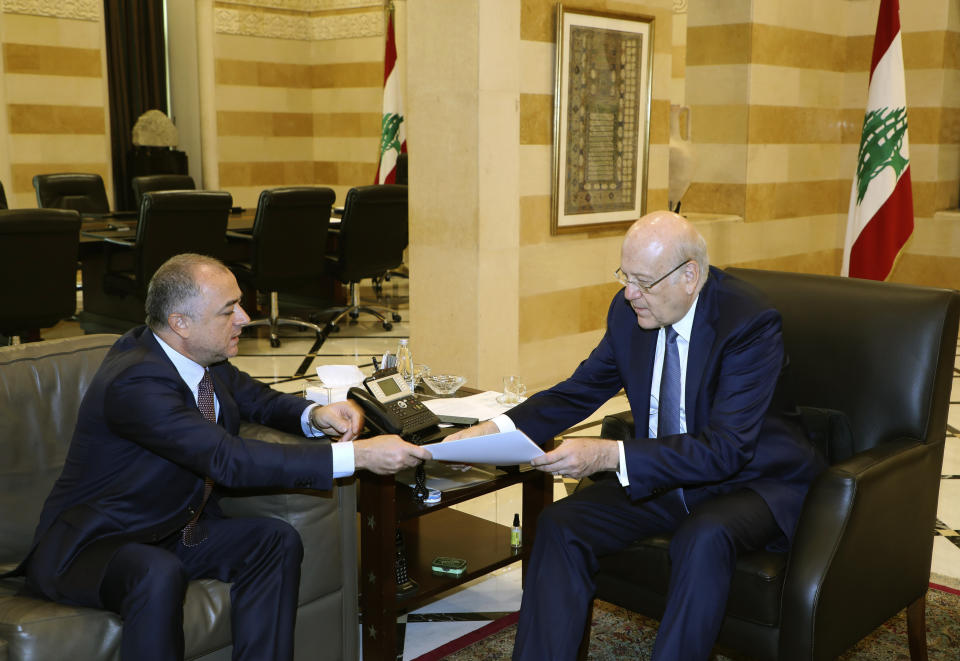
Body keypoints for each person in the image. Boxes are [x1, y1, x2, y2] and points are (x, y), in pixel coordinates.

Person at [449, 211, 825, 660]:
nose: (630, 294)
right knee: (560, 524)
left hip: (752, 480)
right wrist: (490, 431)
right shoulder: (631, 313)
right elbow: (578, 391)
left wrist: (609, 454)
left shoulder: (748, 323)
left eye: (643, 282)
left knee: (702, 538)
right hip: (665, 476)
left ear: (690, 276)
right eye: (624, 277)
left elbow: (725, 451)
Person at [21, 253, 432, 661]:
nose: (245, 317)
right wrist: (355, 456)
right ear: (180, 322)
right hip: (96, 546)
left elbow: (256, 398)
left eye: (240, 303)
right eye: (228, 310)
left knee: (275, 540)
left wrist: (313, 414)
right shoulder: (136, 380)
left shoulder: (199, 357)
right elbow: (227, 459)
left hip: (171, 531)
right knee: (156, 573)